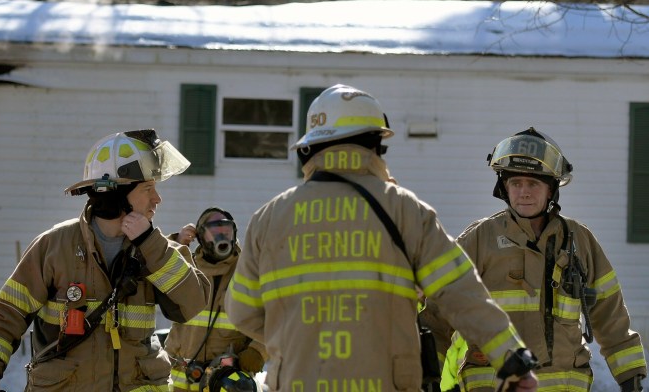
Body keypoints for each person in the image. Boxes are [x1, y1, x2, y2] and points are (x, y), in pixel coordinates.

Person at [224, 84, 539, 392]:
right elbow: (461, 292)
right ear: (375, 145)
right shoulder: (405, 210)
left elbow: (241, 311)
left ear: (310, 149)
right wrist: (512, 357)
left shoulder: (269, 219)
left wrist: (300, 342)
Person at [0, 129, 211, 392]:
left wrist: (150, 244)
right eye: (148, 189)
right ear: (117, 193)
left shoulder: (158, 249)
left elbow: (193, 304)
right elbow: (8, 313)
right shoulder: (55, 246)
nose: (157, 199)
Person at [429, 127, 647, 392]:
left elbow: (610, 314)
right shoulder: (478, 240)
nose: (524, 192)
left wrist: (630, 377)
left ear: (551, 189)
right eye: (515, 183)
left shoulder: (579, 240)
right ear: (504, 188)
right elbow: (437, 315)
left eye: (533, 183)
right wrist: (427, 375)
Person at [164, 207, 267, 391]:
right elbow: (157, 278)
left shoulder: (249, 271)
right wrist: (178, 245)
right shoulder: (187, 266)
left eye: (226, 231)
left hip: (227, 382)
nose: (222, 237)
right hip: (180, 382)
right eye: (214, 232)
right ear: (201, 237)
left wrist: (258, 350)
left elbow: (275, 315)